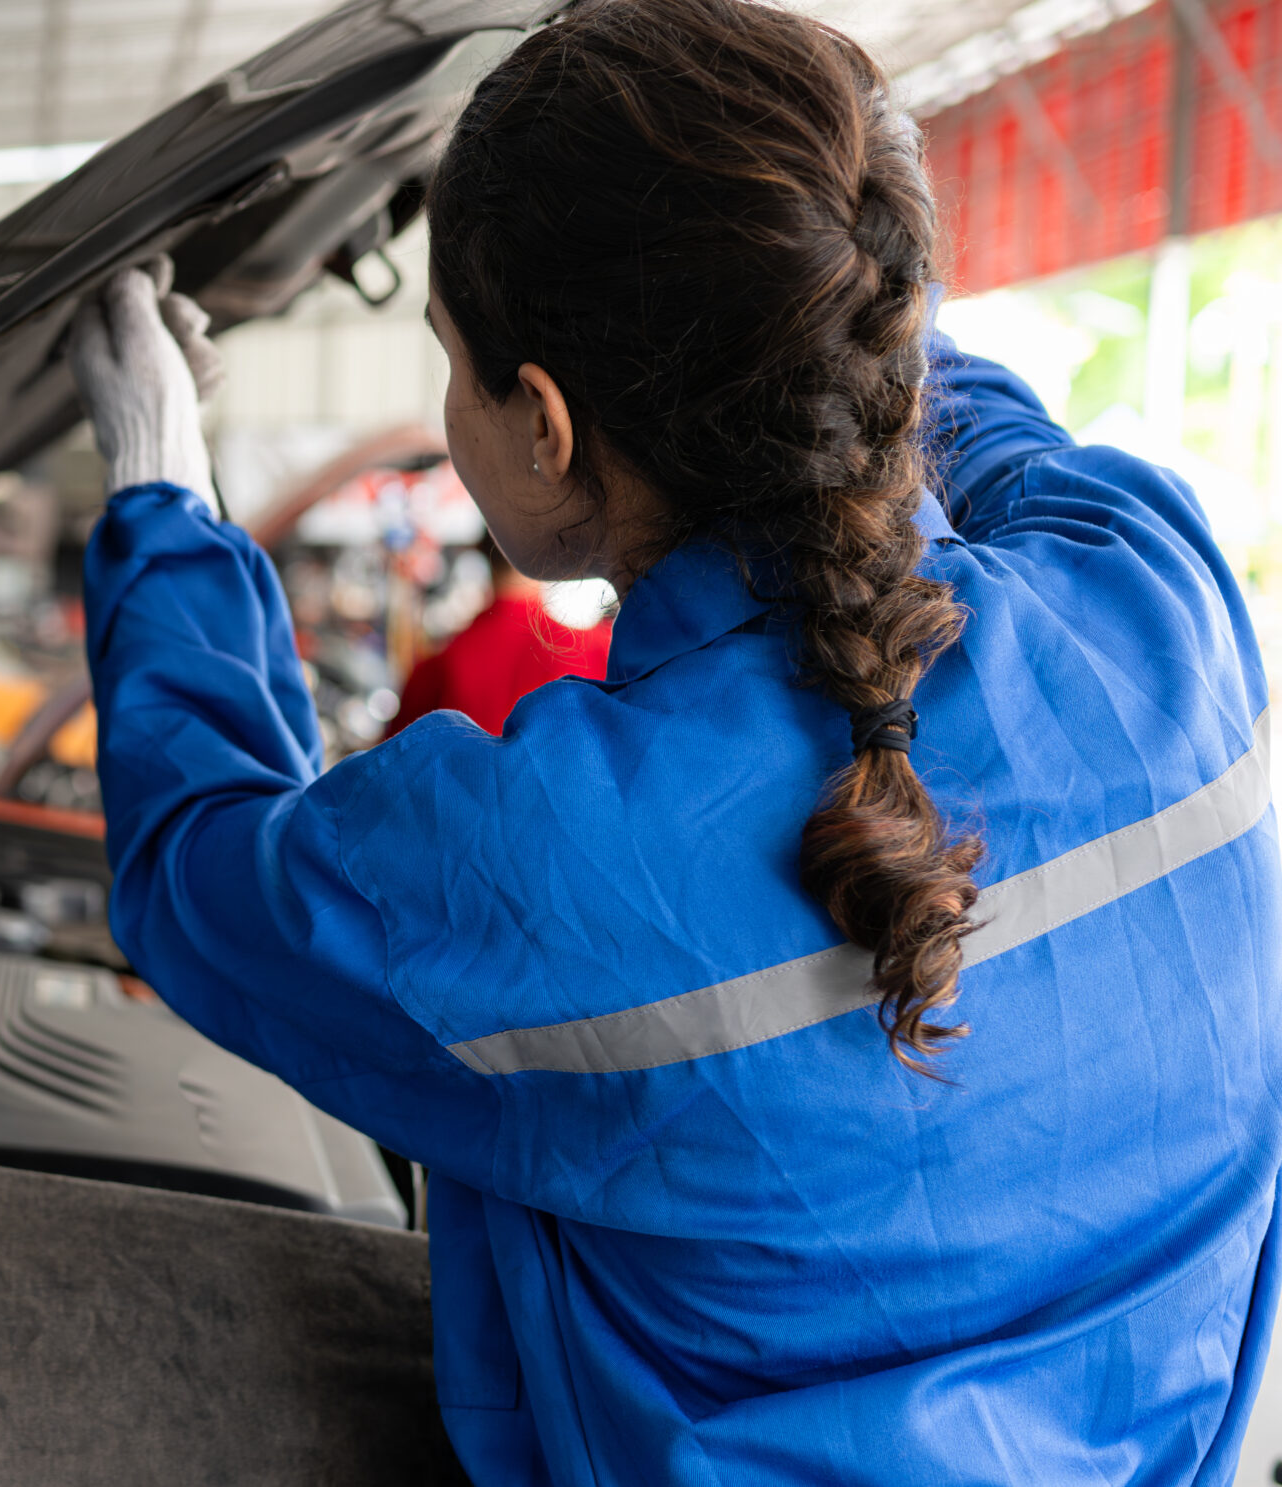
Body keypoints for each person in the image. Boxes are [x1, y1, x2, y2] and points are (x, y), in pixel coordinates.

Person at [66, 0, 1282, 1481]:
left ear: (545, 425)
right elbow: (947, 407)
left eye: (451, 360)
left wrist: (158, 486)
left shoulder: (534, 858)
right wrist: (786, 232)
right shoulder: (1155, 604)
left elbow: (202, 867)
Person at [388, 534, 612, 737]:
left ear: (483, 553)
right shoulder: (599, 652)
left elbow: (389, 764)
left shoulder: (439, 666)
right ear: (551, 559)